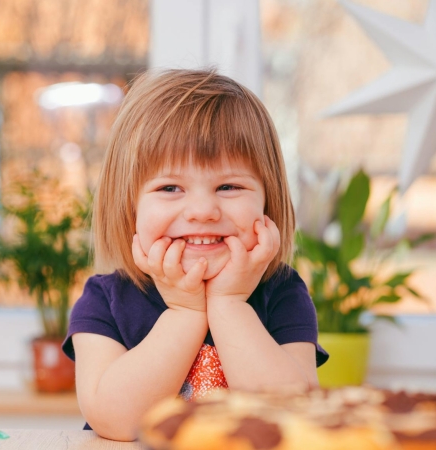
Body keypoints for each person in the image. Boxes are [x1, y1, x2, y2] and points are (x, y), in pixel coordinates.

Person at [61, 69, 329, 441]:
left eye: (229, 186)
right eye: (170, 187)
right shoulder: (104, 300)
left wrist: (229, 305)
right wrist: (185, 312)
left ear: (268, 202)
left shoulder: (282, 292)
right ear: (129, 207)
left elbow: (292, 419)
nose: (203, 210)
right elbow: (115, 421)